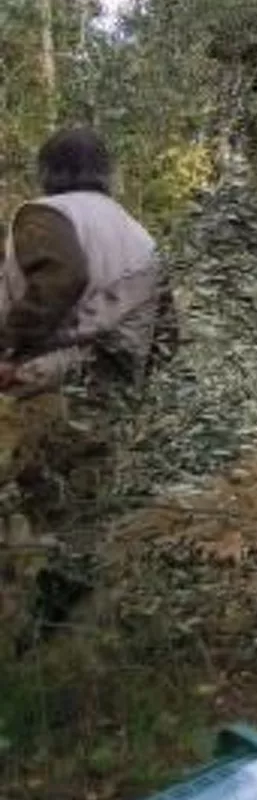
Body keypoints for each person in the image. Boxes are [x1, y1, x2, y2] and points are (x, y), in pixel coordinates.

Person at [0, 128, 174, 517]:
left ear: (45, 171)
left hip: (46, 383)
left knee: (33, 507)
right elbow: (166, 332)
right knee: (84, 511)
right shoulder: (140, 234)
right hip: (112, 394)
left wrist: (11, 349)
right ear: (106, 172)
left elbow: (63, 276)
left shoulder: (47, 214)